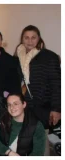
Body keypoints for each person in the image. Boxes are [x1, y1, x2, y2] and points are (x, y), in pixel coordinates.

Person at [14, 25, 61, 156]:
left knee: (41, 142)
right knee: (25, 143)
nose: (30, 41)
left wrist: (56, 109)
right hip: (24, 106)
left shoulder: (49, 56)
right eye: (26, 37)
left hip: (43, 106)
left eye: (33, 37)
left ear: (39, 38)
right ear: (22, 39)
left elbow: (57, 84)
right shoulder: (18, 56)